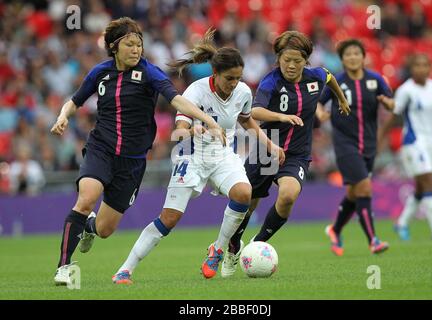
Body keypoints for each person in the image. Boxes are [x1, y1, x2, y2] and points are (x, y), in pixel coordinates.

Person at [51, 17, 225, 286]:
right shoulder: (100, 72)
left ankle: (88, 228)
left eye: (139, 45)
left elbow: (177, 99)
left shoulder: (150, 73)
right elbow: (75, 101)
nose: (135, 49)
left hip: (132, 162)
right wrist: (63, 116)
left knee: (105, 230)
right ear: (113, 46)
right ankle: (63, 267)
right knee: (86, 199)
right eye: (129, 44)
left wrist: (209, 120)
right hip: (101, 149)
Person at [112, 29, 285, 284]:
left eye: (238, 78)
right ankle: (125, 269)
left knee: (243, 194)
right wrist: (194, 128)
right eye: (230, 79)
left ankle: (217, 249)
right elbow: (179, 131)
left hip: (223, 155)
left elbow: (246, 121)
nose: (234, 83)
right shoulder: (196, 91)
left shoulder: (243, 93)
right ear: (215, 74)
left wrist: (269, 144)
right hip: (191, 155)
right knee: (169, 219)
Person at [221, 31, 351, 278]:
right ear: (278, 58)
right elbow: (255, 111)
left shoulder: (316, 77)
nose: (291, 65)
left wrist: (341, 100)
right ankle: (233, 247)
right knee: (246, 206)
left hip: (297, 154)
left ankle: (257, 245)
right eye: (286, 60)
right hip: (266, 149)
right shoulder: (270, 82)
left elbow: (331, 77)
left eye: (297, 61)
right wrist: (281, 117)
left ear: (306, 61)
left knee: (289, 195)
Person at [317, 39, 394, 256]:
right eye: (347, 54)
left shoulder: (375, 79)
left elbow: (391, 101)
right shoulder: (337, 82)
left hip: (369, 145)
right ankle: (373, 241)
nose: (352, 57)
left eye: (356, 53)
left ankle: (335, 229)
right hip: (345, 144)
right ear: (341, 59)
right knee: (365, 188)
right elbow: (320, 103)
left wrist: (389, 104)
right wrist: (321, 113)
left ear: (363, 56)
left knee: (354, 192)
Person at [381, 53, 432, 240]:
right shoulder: (406, 90)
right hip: (412, 142)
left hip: (430, 143)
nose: (421, 69)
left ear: (430, 67)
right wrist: (380, 138)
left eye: (425, 65)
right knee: (428, 180)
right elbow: (394, 116)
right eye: (417, 65)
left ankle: (402, 224)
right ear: (411, 69)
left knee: (421, 188)